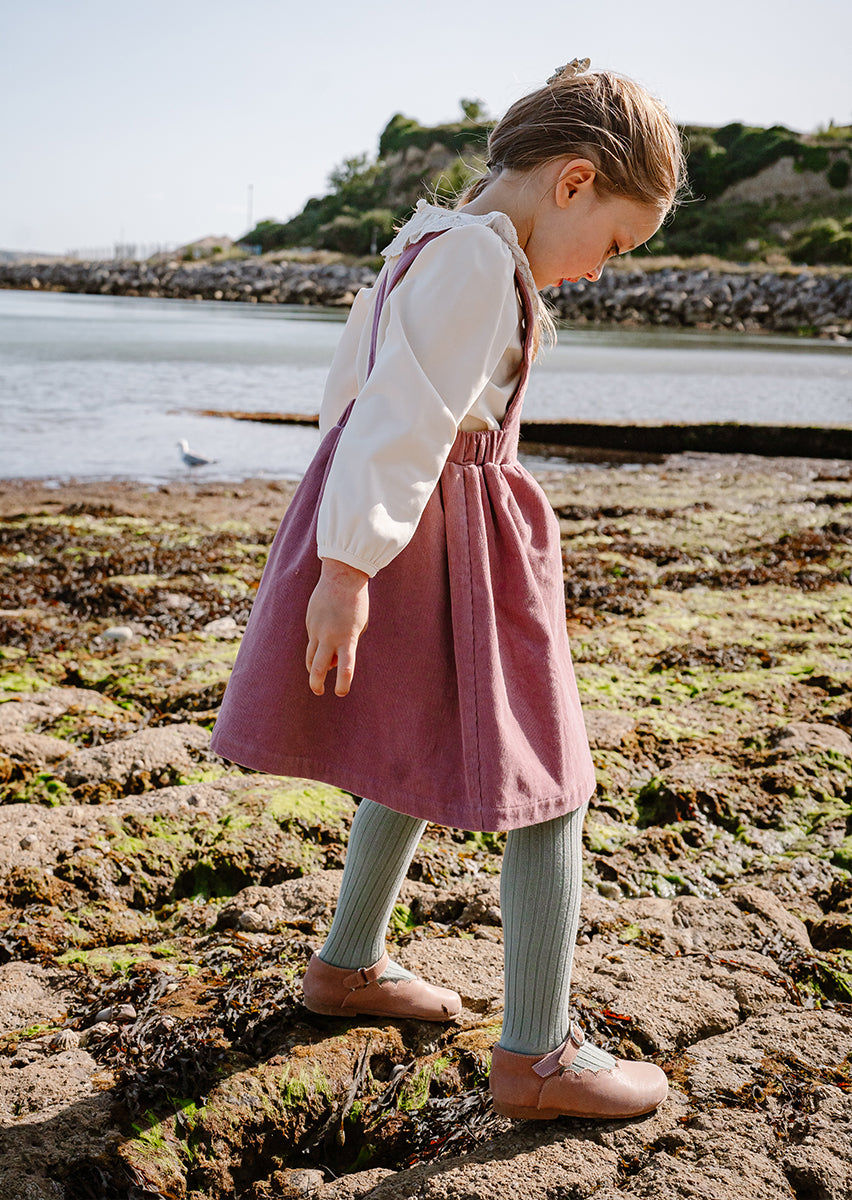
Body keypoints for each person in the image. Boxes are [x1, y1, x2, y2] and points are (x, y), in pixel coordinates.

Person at [212, 58, 686, 1121]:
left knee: (417, 741)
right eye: (615, 243)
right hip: (449, 535)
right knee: (553, 784)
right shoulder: (475, 258)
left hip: (424, 532)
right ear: (574, 181)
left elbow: (352, 400)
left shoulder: (430, 239)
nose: (601, 272)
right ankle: (537, 1055)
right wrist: (344, 568)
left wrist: (357, 549)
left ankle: (348, 963)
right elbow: (396, 417)